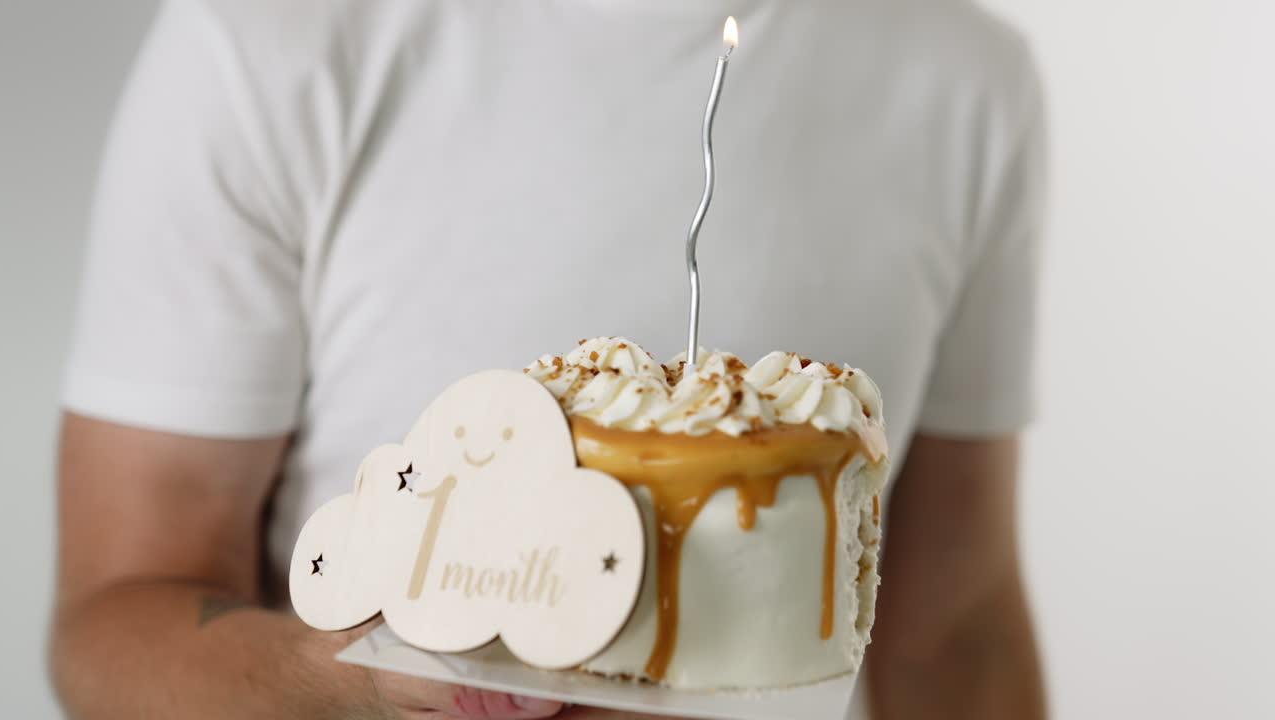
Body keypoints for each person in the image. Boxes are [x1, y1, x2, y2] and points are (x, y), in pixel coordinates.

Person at [50, 0, 1047, 718]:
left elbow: (953, 630)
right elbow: (114, 616)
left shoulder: (965, 80)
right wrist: (362, 683)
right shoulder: (269, 37)